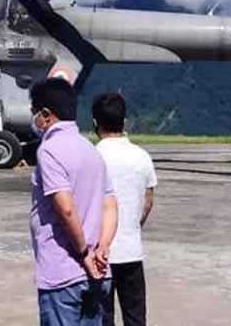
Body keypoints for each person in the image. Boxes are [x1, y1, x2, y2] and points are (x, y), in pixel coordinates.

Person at [29, 78, 118, 326]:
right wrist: (103, 247)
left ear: (46, 114)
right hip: (98, 271)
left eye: (33, 111)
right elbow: (110, 202)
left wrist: (84, 253)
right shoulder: (90, 149)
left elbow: (65, 209)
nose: (33, 118)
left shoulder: (49, 151)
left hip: (63, 271)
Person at [92, 93, 157, 326]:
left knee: (102, 316)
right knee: (135, 316)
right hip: (131, 249)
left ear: (95, 123)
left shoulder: (93, 156)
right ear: (124, 122)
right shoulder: (142, 157)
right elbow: (147, 201)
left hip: (99, 251)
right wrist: (132, 225)